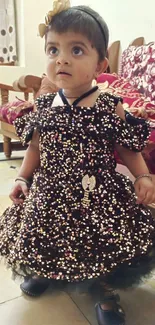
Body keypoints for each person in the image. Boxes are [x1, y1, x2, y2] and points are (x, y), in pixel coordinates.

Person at [0, 1, 155, 324]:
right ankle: (48, 272)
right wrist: (23, 178)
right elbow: (35, 148)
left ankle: (103, 288)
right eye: (53, 49)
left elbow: (126, 147)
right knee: (45, 235)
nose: (62, 59)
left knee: (101, 242)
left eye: (77, 50)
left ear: (100, 64)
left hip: (96, 194)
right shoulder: (44, 105)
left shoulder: (109, 106)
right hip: (50, 192)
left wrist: (142, 176)